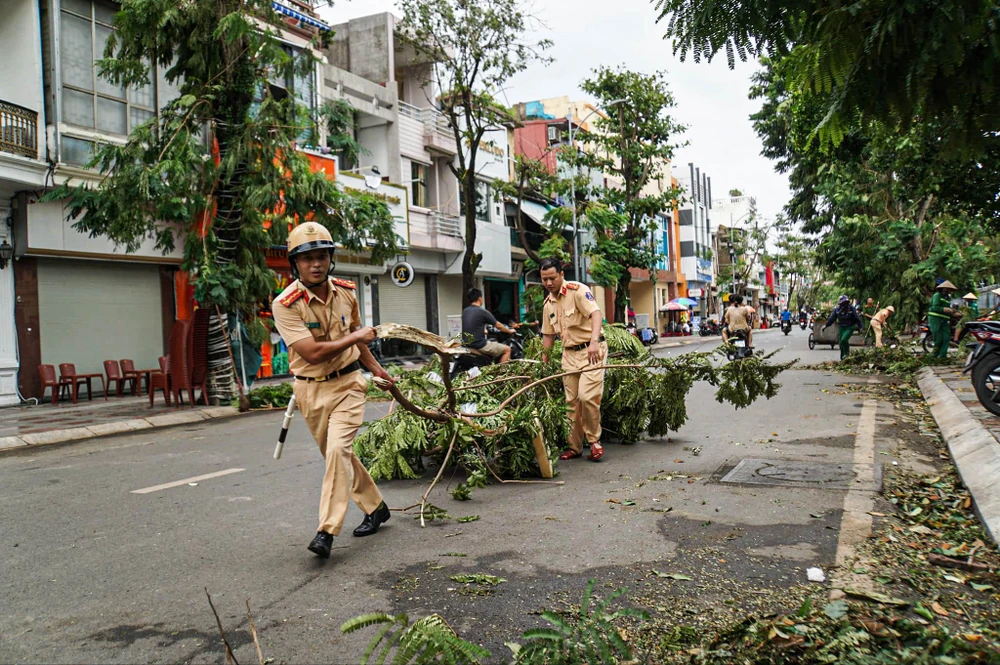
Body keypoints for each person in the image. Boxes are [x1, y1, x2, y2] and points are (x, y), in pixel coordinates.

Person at [271, 222, 396, 559]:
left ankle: (326, 531)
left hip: (348, 384)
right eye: (307, 258)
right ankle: (377, 507)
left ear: (331, 258)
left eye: (322, 256)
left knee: (339, 451)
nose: (316, 264)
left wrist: (376, 369)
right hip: (309, 390)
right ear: (295, 263)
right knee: (337, 457)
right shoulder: (285, 304)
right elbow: (312, 352)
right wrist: (357, 338)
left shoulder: (346, 292)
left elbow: (356, 335)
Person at [539, 258, 607, 462]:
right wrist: (545, 361)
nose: (549, 283)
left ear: (561, 274)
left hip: (591, 351)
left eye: (552, 278)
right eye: (544, 280)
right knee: (571, 403)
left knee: (587, 397)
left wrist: (594, 342)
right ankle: (575, 446)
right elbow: (548, 336)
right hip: (568, 354)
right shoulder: (548, 304)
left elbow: (596, 314)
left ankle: (594, 441)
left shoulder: (577, 291)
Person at [461, 288, 517, 364]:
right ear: (480, 299)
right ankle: (501, 373)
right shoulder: (482, 311)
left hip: (466, 344)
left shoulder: (465, 311)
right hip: (479, 345)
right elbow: (499, 325)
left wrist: (483, 331)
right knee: (507, 350)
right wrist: (509, 331)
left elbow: (472, 325)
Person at [823, 295, 864, 360]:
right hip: (841, 327)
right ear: (841, 303)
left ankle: (847, 355)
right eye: (843, 303)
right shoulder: (837, 310)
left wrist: (860, 327)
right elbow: (832, 318)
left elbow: (857, 318)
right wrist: (826, 325)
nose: (845, 304)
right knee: (841, 343)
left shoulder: (851, 308)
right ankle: (843, 358)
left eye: (846, 303)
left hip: (849, 327)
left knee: (844, 340)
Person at [928, 280, 957, 358]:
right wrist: (946, 309)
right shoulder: (937, 295)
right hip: (935, 319)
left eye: (949, 290)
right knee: (938, 339)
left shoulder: (947, 298)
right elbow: (934, 307)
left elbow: (949, 310)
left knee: (946, 338)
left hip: (944, 320)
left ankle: (942, 356)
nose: (948, 291)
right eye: (947, 289)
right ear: (943, 289)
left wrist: (954, 312)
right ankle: (934, 355)